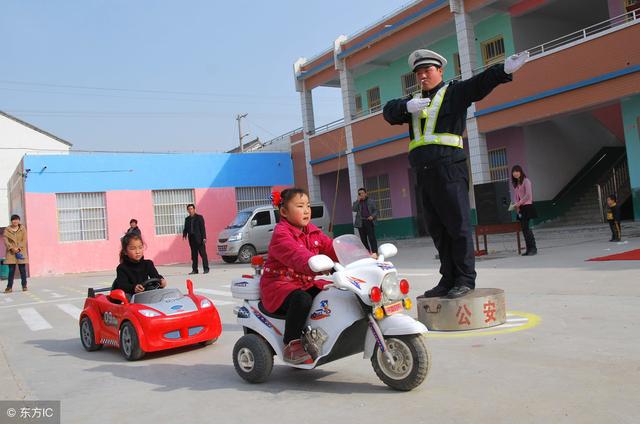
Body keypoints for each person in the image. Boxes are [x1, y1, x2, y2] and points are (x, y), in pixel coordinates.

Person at [383, 48, 529, 299]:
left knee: (457, 225)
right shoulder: (413, 102)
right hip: (424, 173)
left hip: (449, 168)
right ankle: (448, 278)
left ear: (440, 70)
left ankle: (465, 279)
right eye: (418, 72)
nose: (422, 76)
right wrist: (406, 106)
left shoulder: (454, 93)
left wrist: (503, 70)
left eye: (427, 70)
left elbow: (478, 85)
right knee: (437, 228)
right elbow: (388, 111)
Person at [260, 188, 338, 364]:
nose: (307, 210)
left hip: (303, 282)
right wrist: (314, 263)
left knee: (333, 292)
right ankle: (291, 345)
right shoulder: (281, 234)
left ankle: (319, 335)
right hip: (279, 286)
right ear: (284, 212)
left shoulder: (313, 231)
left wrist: (359, 254)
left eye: (308, 206)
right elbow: (297, 255)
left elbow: (332, 248)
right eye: (300, 206)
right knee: (302, 300)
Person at [511, 165, 538, 256]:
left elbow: (528, 195)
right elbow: (515, 197)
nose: (515, 173)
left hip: (527, 206)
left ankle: (533, 248)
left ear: (520, 172)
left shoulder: (526, 181)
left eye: (517, 171)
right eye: (513, 172)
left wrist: (518, 203)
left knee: (526, 228)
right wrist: (516, 206)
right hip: (520, 208)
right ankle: (528, 249)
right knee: (523, 229)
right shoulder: (516, 184)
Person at [3, 214, 28, 293]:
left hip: (21, 251)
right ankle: (9, 287)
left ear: (19, 220)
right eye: (14, 220)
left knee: (22, 270)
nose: (15, 221)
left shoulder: (23, 229)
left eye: (17, 219)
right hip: (11, 252)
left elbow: (24, 240)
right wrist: (11, 248)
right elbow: (5, 240)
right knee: (11, 271)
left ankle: (24, 286)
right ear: (11, 221)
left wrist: (19, 248)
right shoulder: (7, 230)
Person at [182, 203, 209, 274]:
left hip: (200, 239)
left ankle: (206, 269)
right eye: (189, 209)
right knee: (194, 255)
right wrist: (184, 233)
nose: (190, 210)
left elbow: (202, 228)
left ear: (194, 209)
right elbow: (186, 228)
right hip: (192, 239)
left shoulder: (199, 217)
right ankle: (195, 270)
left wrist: (204, 237)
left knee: (203, 254)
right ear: (187, 210)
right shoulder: (187, 219)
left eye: (191, 209)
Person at [352, 187, 379, 256]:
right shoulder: (357, 202)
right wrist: (357, 201)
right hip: (360, 222)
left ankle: (375, 252)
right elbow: (354, 209)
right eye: (359, 193)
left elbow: (376, 210)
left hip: (369, 221)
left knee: (372, 238)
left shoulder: (371, 201)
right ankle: (367, 253)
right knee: (363, 240)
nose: (361, 195)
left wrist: (372, 216)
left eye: (362, 193)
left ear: (366, 194)